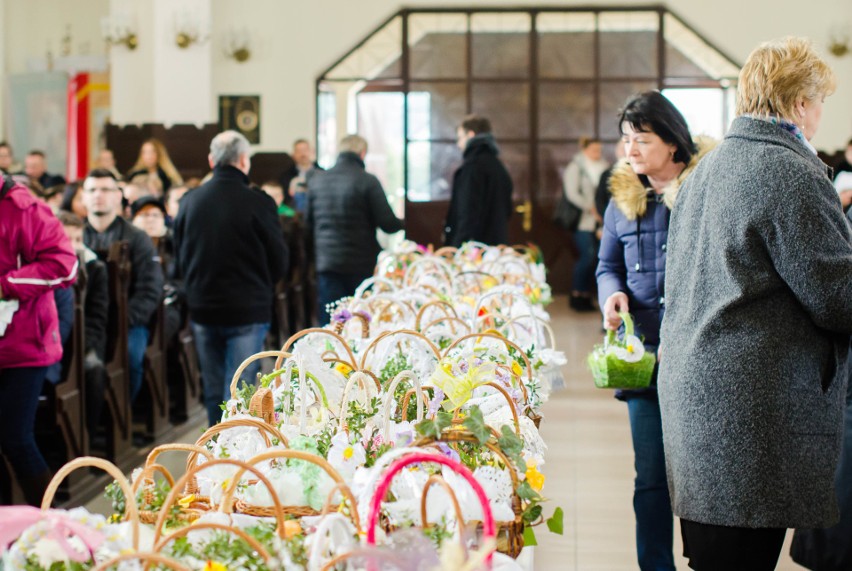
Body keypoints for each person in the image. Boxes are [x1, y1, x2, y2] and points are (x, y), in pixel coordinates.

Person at [658, 37, 852, 571]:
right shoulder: (789, 171)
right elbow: (838, 296)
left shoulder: (707, 169)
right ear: (797, 104)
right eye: (818, 102)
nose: (818, 116)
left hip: (699, 395)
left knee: (717, 556)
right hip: (748, 408)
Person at [597, 90, 714, 571]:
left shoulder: (707, 195)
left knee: (702, 476)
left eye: (641, 140)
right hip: (640, 358)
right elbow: (607, 265)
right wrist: (612, 294)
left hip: (697, 362)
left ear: (673, 142)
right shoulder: (622, 203)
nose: (630, 151)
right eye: (626, 140)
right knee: (650, 478)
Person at [174, 130, 289, 426]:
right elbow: (279, 259)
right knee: (241, 385)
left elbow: (180, 255)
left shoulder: (189, 201)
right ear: (244, 161)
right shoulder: (259, 202)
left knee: (213, 388)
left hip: (203, 307)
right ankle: (240, 451)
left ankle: (215, 451)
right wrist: (264, 285)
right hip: (247, 307)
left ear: (211, 160)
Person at [0, 174, 78, 505]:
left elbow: (65, 265)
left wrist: (6, 284)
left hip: (25, 345)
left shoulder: (27, 209)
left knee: (15, 438)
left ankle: (48, 523)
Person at [82, 168, 164, 403]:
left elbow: (151, 287)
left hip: (129, 321)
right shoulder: (75, 235)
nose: (98, 195)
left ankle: (122, 416)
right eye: (92, 190)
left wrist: (124, 319)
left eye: (106, 189)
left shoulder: (137, 237)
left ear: (118, 196)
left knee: (129, 357)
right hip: (88, 321)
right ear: (84, 197)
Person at [306, 134, 403, 326]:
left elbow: (308, 226)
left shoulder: (317, 181)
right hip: (361, 263)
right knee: (362, 321)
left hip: (328, 263)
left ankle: (329, 355)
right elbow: (388, 224)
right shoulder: (367, 181)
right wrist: (408, 222)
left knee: (332, 322)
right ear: (362, 153)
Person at [57, 211, 110, 443]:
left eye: (78, 239)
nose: (74, 246)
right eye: (67, 239)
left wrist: (77, 345)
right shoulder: (48, 266)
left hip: (84, 340)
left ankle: (85, 435)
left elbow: (97, 318)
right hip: (55, 337)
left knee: (92, 368)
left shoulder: (94, 268)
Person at [443, 115, 513, 248]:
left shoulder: (472, 168)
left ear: (470, 135)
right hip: (496, 246)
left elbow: (467, 214)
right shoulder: (498, 166)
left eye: (460, 138)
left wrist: (456, 248)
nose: (458, 144)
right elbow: (507, 209)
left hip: (474, 251)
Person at [564, 136, 609, 311]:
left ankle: (589, 296)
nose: (597, 153)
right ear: (584, 150)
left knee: (599, 258)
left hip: (601, 221)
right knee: (587, 256)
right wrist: (591, 208)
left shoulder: (604, 166)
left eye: (599, 150)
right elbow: (572, 193)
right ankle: (577, 293)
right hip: (584, 221)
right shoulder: (576, 167)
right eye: (594, 150)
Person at [280, 139, 320, 214]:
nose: (303, 154)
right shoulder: (286, 176)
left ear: (312, 152)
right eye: (298, 151)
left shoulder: (323, 173)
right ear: (293, 155)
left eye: (305, 150)